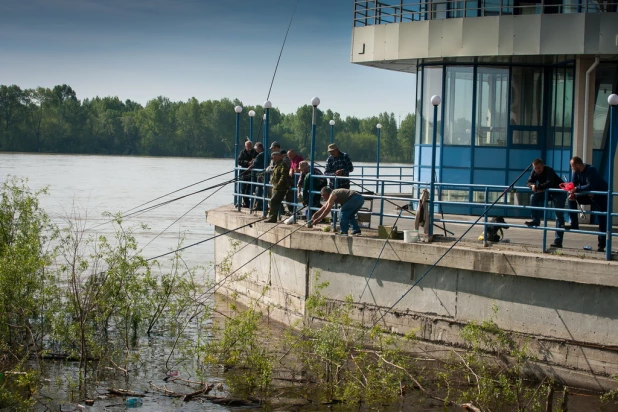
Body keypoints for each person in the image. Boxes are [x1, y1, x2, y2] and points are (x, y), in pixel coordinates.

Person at [565, 156, 609, 252]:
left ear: (577, 164)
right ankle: (574, 223)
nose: (571, 168)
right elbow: (574, 184)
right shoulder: (575, 172)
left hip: (599, 195)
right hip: (587, 194)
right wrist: (572, 192)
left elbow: (590, 185)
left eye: (572, 166)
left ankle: (601, 245)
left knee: (602, 218)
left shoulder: (591, 170)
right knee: (571, 199)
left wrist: (576, 189)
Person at [524, 159, 567, 248]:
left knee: (558, 215)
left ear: (542, 166)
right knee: (534, 197)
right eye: (536, 168)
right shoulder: (534, 171)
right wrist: (532, 185)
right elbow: (528, 181)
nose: (538, 170)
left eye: (539, 168)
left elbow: (549, 183)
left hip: (558, 192)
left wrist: (538, 186)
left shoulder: (549, 170)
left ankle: (558, 241)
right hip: (547, 192)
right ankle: (535, 220)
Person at [267, 151, 290, 223]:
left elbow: (283, 176)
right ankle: (272, 217)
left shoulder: (283, 164)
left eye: (275, 156)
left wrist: (279, 185)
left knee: (274, 200)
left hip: (281, 187)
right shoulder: (276, 165)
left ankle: (272, 218)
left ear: (279, 156)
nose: (273, 158)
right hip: (275, 187)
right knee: (273, 201)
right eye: (272, 156)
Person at [237, 140, 256, 208]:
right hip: (244, 173)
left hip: (253, 173)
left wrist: (253, 163)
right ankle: (246, 202)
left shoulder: (255, 152)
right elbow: (239, 161)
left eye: (250, 145)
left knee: (252, 187)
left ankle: (253, 203)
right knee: (243, 188)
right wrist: (247, 163)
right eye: (247, 146)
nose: (249, 147)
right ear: (245, 146)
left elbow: (257, 160)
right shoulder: (242, 152)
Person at [247, 142, 265, 211]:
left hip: (260, 174)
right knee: (263, 190)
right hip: (263, 174)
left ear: (259, 148)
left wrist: (250, 166)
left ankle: (258, 205)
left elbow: (255, 163)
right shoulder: (266, 153)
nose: (255, 150)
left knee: (258, 189)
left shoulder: (260, 154)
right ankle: (261, 204)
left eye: (256, 148)